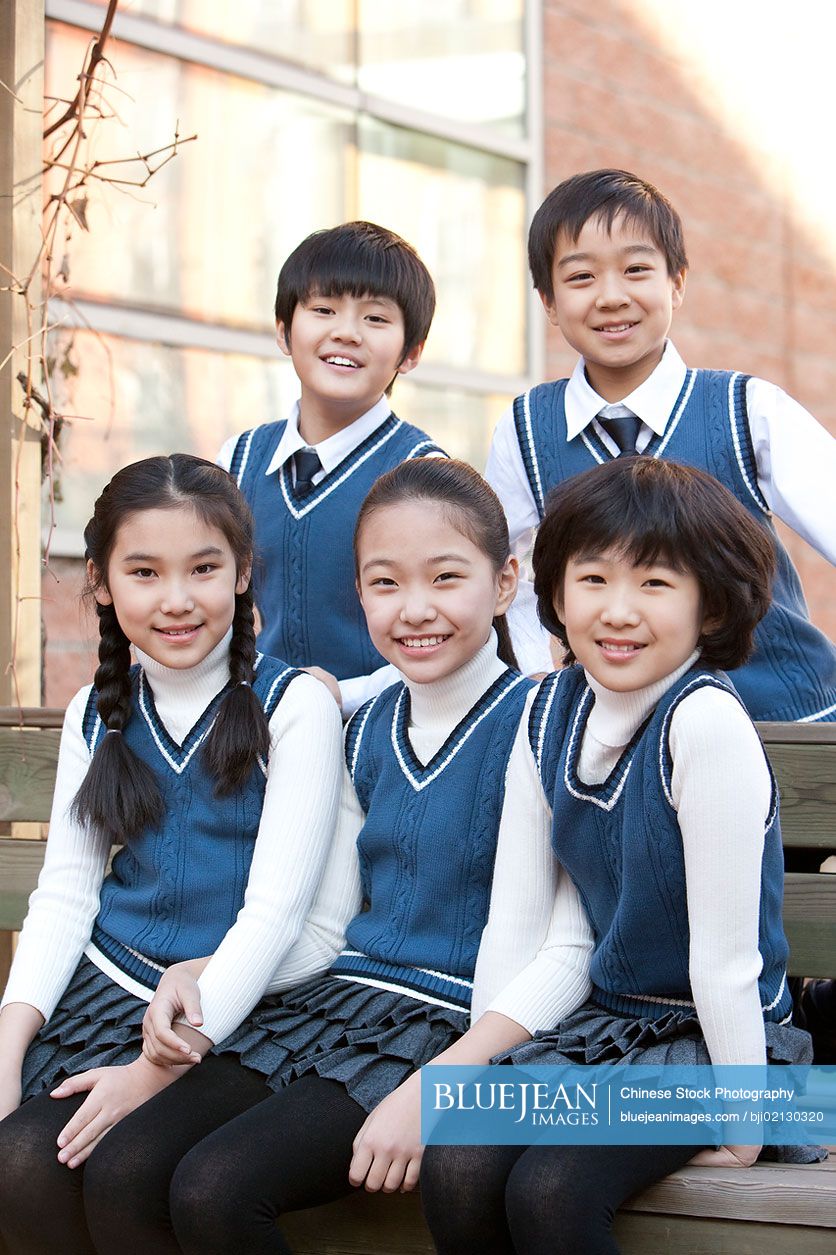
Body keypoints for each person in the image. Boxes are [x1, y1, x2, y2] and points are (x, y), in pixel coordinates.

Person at [70, 458, 591, 1255]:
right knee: (125, 1166)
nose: (415, 609)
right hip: (335, 1010)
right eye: (384, 584)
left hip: (453, 1026)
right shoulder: (365, 726)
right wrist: (204, 971)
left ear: (505, 581)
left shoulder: (540, 720)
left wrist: (445, 1089)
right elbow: (325, 931)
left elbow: (554, 946)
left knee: (216, 1191)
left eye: (445, 578)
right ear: (359, 593)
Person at [421, 457, 824, 1255]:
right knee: (459, 1163)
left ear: (711, 606)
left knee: (551, 1193)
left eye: (655, 584)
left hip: (718, 1046)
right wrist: (471, 1074)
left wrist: (747, 1128)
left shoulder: (701, 724)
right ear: (557, 594)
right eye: (594, 578)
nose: (618, 610)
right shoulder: (547, 711)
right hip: (605, 1035)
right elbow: (533, 929)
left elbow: (726, 963)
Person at [0, 454, 344, 1255]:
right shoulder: (98, 710)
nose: (177, 598)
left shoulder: (293, 707)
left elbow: (276, 914)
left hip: (238, 1008)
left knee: (128, 1167)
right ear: (101, 580)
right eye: (145, 571)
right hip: (109, 989)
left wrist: (153, 1071)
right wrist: (9, 1042)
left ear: (243, 572)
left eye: (204, 568)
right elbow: (64, 892)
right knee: (20, 1160)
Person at [487, 167, 836, 722]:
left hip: (781, 725)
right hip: (623, 745)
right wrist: (535, 669)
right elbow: (500, 572)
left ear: (677, 282)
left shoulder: (746, 409)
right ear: (548, 302)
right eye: (580, 278)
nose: (611, 296)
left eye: (636, 270)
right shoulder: (527, 427)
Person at [218, 220, 446, 717]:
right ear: (284, 331)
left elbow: (452, 634)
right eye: (323, 310)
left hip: (381, 742)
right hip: (256, 740)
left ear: (411, 354)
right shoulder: (236, 461)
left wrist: (345, 695)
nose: (346, 332)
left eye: (376, 319)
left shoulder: (421, 474)